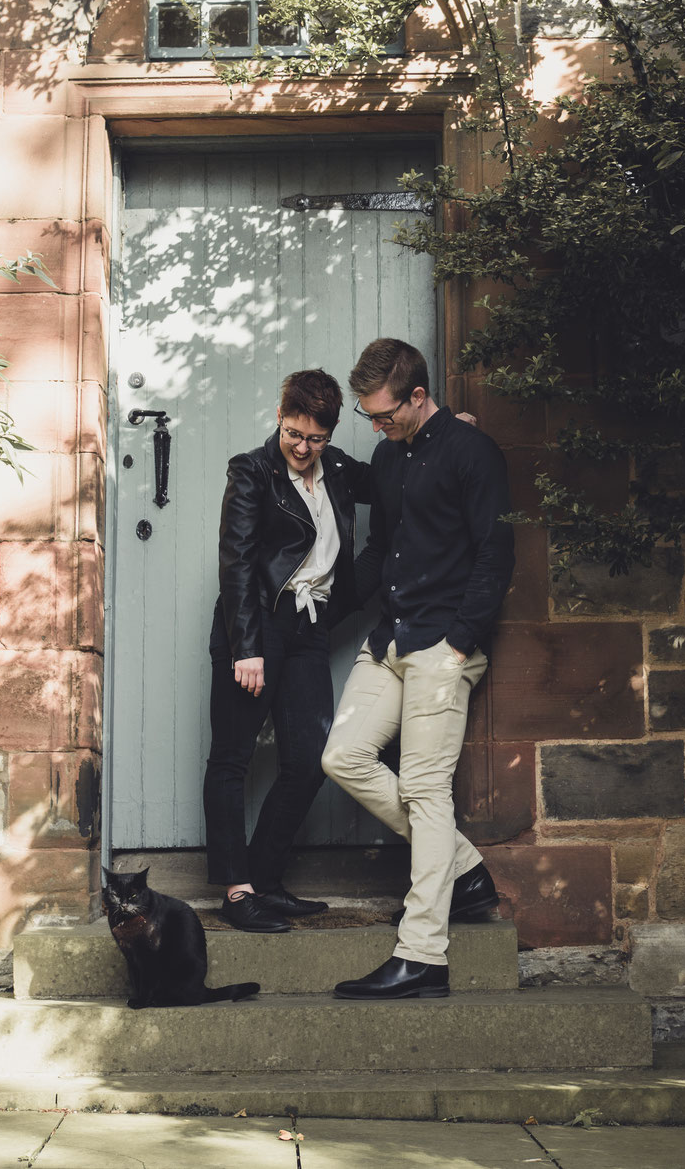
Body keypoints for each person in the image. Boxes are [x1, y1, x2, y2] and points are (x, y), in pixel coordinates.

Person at [322, 338, 515, 998]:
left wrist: (461, 640)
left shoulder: (472, 453)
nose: (377, 426)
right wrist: (326, 606)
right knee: (342, 755)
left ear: (418, 395)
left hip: (443, 645)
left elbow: (495, 554)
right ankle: (463, 864)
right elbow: (381, 552)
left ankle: (423, 954)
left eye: (385, 414)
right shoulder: (386, 455)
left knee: (426, 790)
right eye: (369, 416)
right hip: (391, 639)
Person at [203, 368, 369, 933]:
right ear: (280, 416)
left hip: (308, 629)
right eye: (294, 433)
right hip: (256, 628)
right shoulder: (252, 471)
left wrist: (447, 433)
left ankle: (266, 879)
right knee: (232, 756)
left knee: (309, 759)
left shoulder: (340, 470)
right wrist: (246, 647)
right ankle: (236, 888)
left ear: (330, 433)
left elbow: (398, 482)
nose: (302, 447)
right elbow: (237, 563)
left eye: (315, 438)